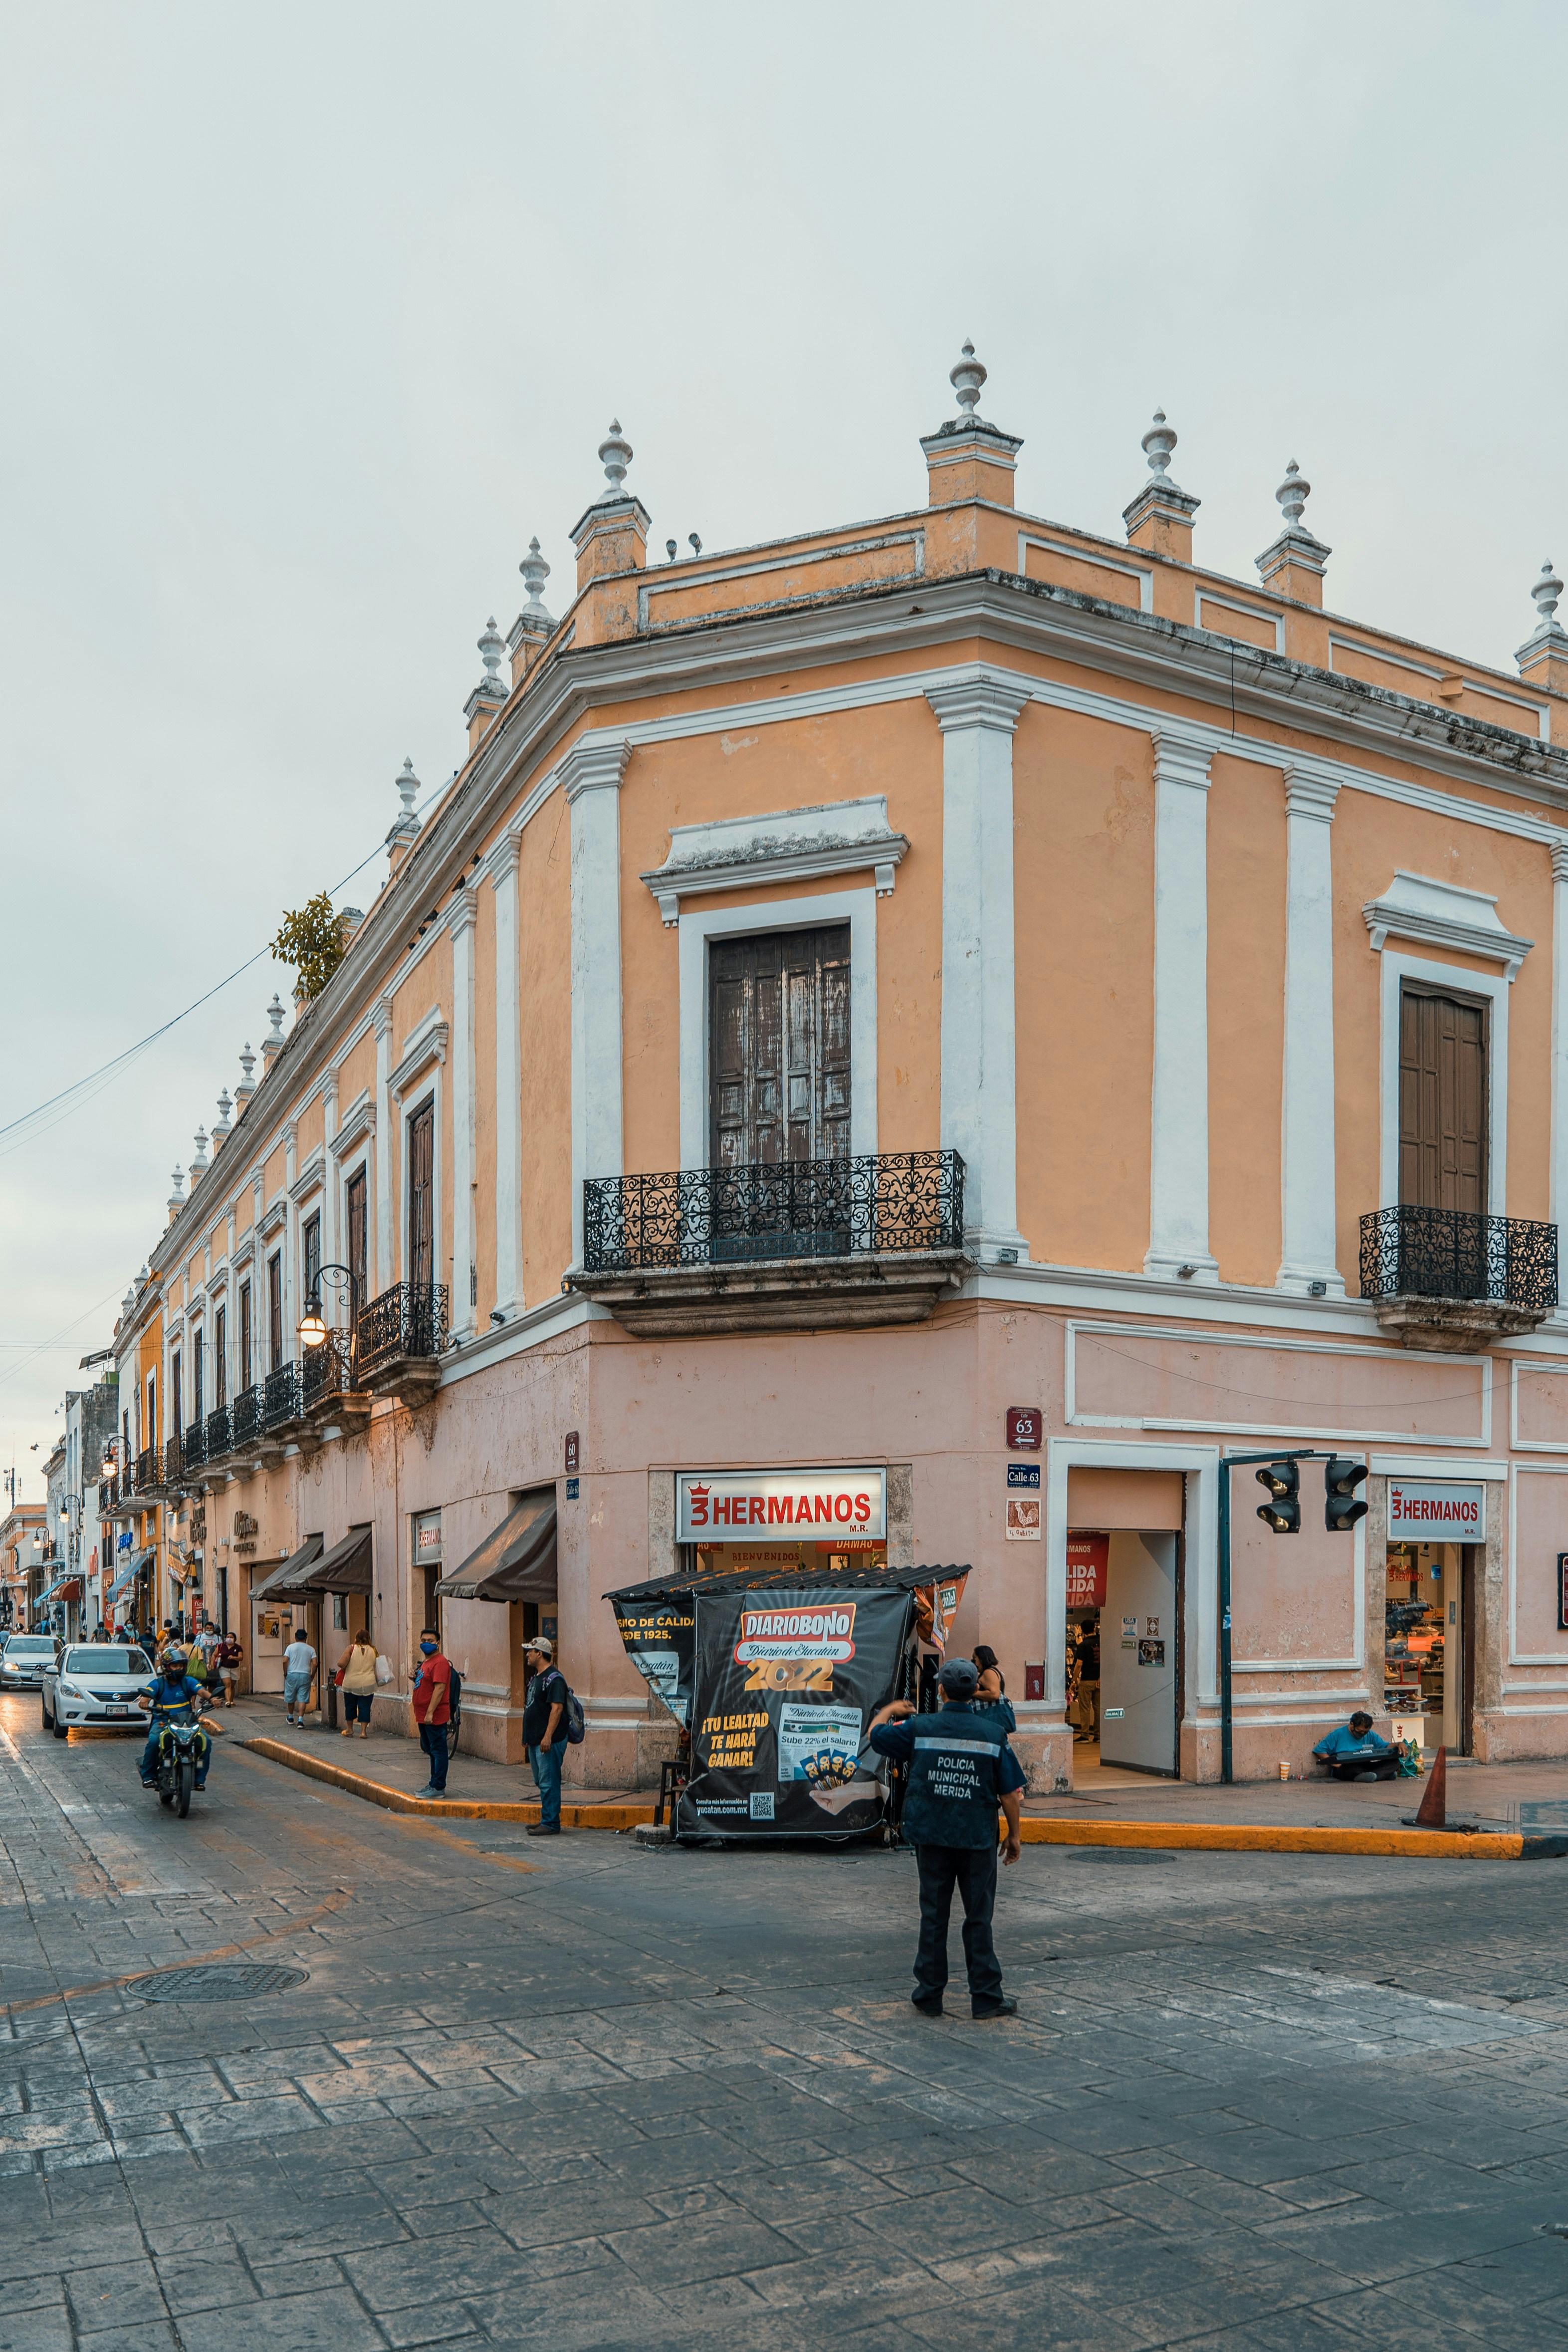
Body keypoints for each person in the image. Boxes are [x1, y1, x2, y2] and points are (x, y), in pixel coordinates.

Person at [868, 1656, 1025, 2021]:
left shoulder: (919, 1727)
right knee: (978, 1918)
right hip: (976, 1839)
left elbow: (876, 1737)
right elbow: (1009, 1794)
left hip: (932, 1837)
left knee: (934, 1916)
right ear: (974, 1692)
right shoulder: (992, 1733)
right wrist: (1015, 1836)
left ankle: (929, 1996)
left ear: (940, 1690)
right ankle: (985, 1997)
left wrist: (891, 1708)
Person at [136, 1647, 212, 1791]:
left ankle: (199, 1779)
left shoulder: (188, 1681)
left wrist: (212, 1699)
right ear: (166, 1667)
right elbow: (147, 1694)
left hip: (187, 1722)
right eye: (175, 1666)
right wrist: (144, 1702)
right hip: (163, 1722)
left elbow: (201, 1691)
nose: (179, 1669)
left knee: (205, 1742)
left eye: (182, 1666)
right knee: (154, 1741)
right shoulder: (158, 1684)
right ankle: (148, 1776)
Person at [522, 1637, 568, 1837]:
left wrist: (548, 1736)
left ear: (540, 1653)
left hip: (549, 1740)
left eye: (530, 1651)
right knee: (541, 1781)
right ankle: (546, 1818)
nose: (528, 1655)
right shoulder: (537, 1677)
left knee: (549, 1781)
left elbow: (557, 1709)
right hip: (536, 1740)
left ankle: (551, 1823)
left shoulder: (554, 1678)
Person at [411, 1628, 453, 1796]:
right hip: (423, 1716)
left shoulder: (440, 1663)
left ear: (438, 1643)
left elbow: (440, 1688)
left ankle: (438, 1786)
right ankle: (433, 1783)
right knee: (431, 1750)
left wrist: (430, 1712)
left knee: (438, 1750)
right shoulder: (427, 1662)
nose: (426, 1644)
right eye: (423, 1641)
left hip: (434, 1716)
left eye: (430, 1641)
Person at [1314, 1712, 1398, 1781]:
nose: (1362, 1734)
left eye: (1365, 1732)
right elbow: (1320, 1750)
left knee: (1395, 1762)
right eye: (1360, 1731)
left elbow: (1384, 1746)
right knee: (1350, 1770)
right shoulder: (1338, 1734)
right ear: (1352, 1725)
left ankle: (1372, 1776)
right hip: (1347, 1766)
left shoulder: (1370, 1735)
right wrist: (1336, 1765)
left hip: (1365, 1764)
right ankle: (1383, 1775)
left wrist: (1398, 1744)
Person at [339, 1632, 378, 1738]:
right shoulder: (373, 1650)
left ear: (356, 1638)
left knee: (350, 1706)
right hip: (368, 1683)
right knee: (365, 1707)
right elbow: (377, 1664)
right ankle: (363, 1732)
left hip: (351, 1683)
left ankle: (350, 1730)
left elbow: (341, 1663)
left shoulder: (351, 1648)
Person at [971, 1645, 1016, 1731]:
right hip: (991, 1722)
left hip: (990, 1719)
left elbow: (994, 1694)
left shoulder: (989, 1672)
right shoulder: (987, 1672)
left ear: (982, 1658)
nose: (973, 1661)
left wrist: (972, 1693)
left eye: (975, 1658)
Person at [282, 1628, 317, 1726]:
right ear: (306, 1638)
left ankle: (291, 1717)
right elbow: (315, 1664)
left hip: (292, 1674)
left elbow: (285, 1661)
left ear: (296, 1637)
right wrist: (312, 1675)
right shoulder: (311, 1649)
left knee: (291, 1697)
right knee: (302, 1699)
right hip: (305, 1675)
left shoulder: (290, 1648)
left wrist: (285, 1673)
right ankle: (301, 1721)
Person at [216, 1628, 242, 1707]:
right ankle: (228, 1701)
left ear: (235, 1639)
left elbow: (241, 1657)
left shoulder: (238, 1648)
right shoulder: (221, 1646)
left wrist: (234, 1658)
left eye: (231, 1637)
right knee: (228, 1684)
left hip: (235, 1668)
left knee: (232, 1685)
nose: (229, 1639)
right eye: (228, 1637)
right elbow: (215, 1655)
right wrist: (212, 1663)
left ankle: (231, 1701)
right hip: (224, 1668)